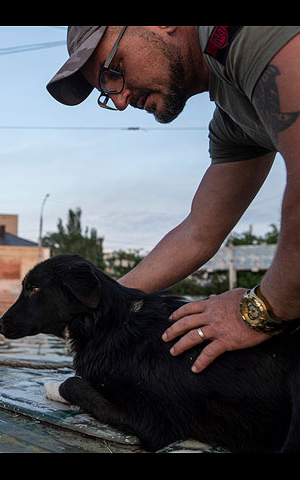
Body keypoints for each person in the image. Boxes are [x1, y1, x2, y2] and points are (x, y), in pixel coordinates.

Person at [46, 26, 300, 373]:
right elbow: (198, 233)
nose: (119, 101)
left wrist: (261, 311)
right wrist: (105, 306)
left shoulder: (242, 33)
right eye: (104, 91)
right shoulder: (235, 117)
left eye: (113, 71)